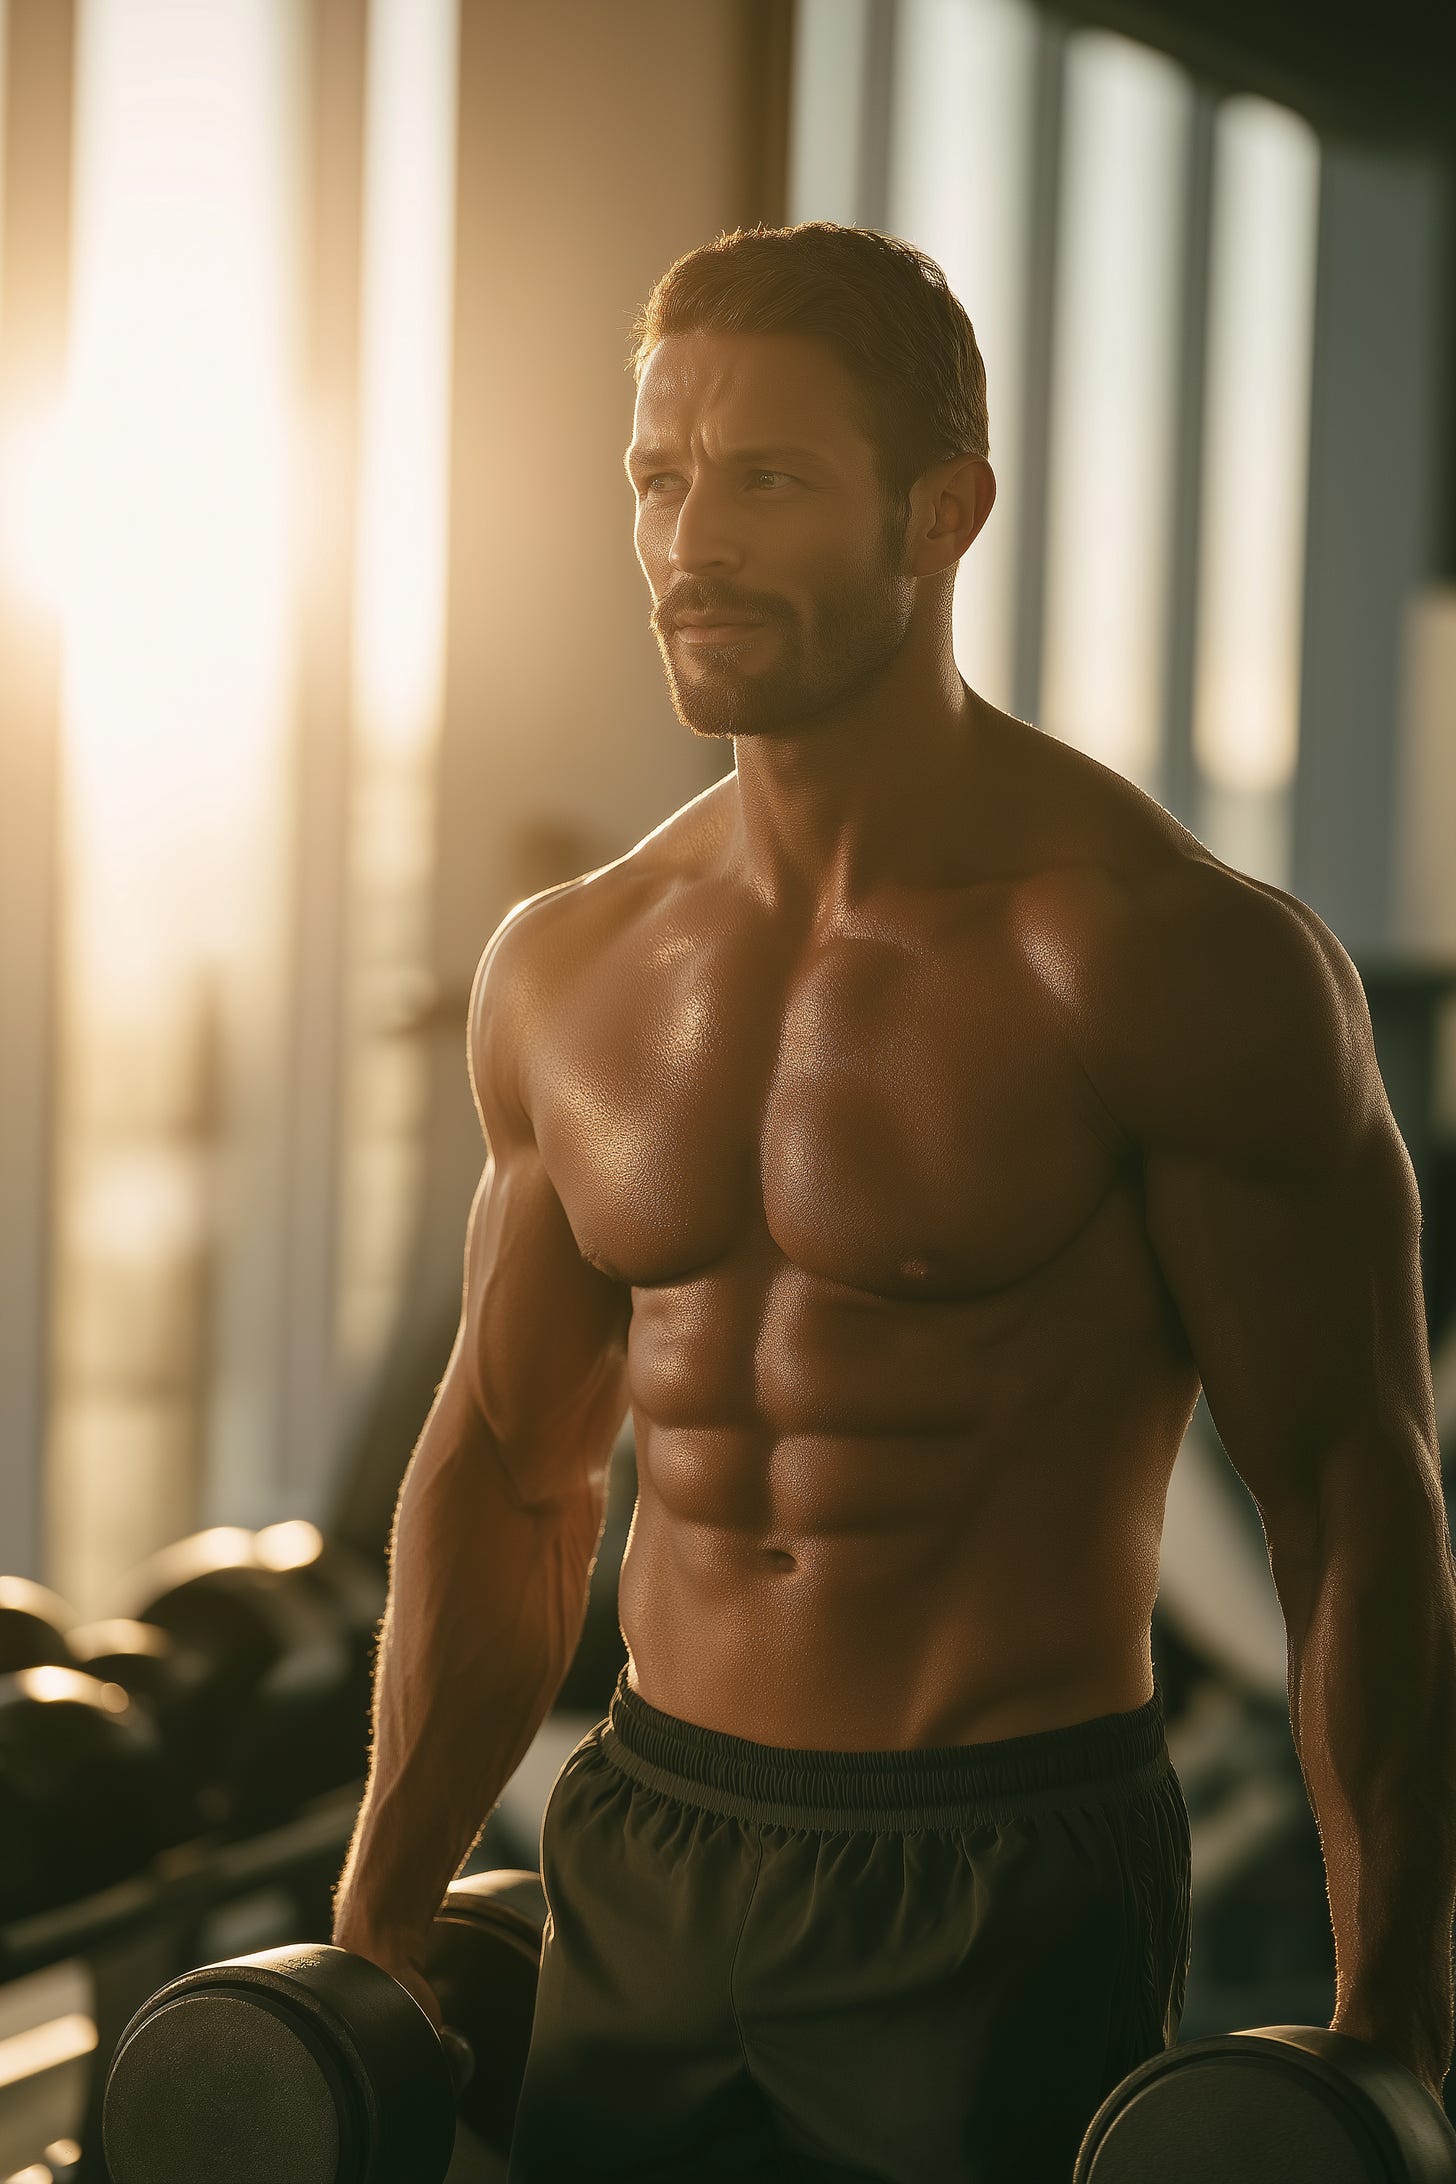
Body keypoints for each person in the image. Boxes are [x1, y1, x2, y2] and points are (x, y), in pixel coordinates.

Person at [331, 222, 1456, 2182]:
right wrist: (378, 1907)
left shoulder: (1161, 961)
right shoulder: (570, 969)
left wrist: (1389, 2015)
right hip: (646, 1837)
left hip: (995, 1866)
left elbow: (1348, 1502)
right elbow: (509, 1472)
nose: (688, 541)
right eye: (657, 480)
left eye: (762, 477)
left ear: (943, 510)